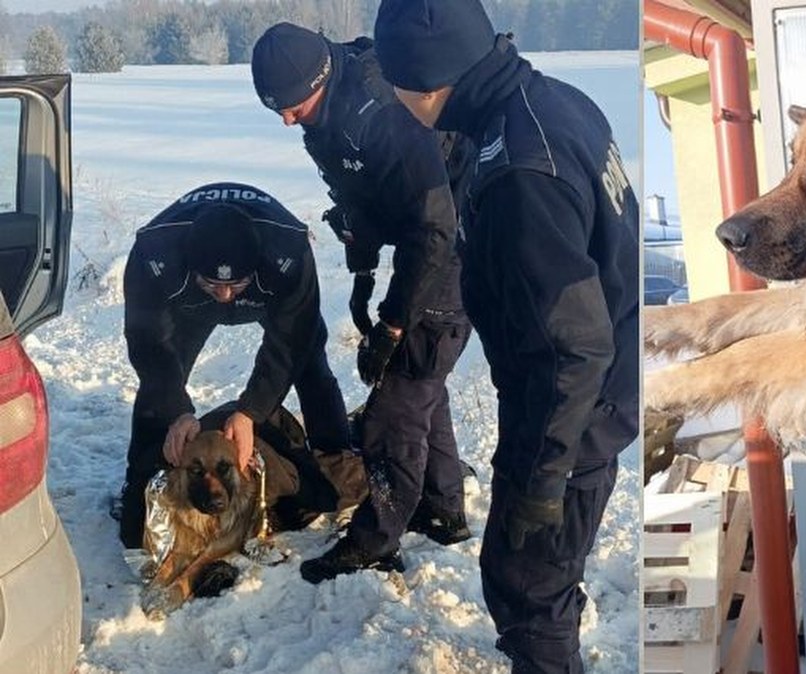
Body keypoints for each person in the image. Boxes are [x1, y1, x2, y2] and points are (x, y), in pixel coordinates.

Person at [373, 2, 640, 671]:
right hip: (593, 389)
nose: (398, 102)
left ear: (428, 85)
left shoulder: (520, 173)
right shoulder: (548, 101)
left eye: (397, 87)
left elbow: (573, 348)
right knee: (540, 574)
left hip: (576, 410)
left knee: (526, 582)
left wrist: (539, 483)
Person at [249, 22, 476, 580]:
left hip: (460, 239)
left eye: (292, 105)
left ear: (319, 80)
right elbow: (362, 195)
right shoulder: (324, 112)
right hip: (426, 234)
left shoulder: (384, 112)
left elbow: (434, 229)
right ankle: (444, 510)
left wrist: (394, 323)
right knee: (422, 384)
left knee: (393, 410)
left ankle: (376, 539)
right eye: (274, 107)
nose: (285, 118)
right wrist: (362, 266)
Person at [120, 182, 363, 549]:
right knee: (160, 389)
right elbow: (148, 344)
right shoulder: (155, 253)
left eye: (235, 284)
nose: (226, 295)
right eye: (215, 284)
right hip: (188, 303)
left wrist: (250, 411)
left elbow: (289, 344)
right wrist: (177, 411)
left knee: (312, 367)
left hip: (270, 297)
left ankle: (334, 462)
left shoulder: (289, 249)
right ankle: (142, 477)